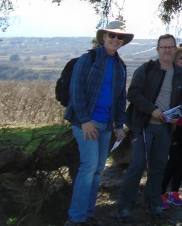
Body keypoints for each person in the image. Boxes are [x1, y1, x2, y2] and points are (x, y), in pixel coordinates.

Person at [114, 34, 182, 222]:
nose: (167, 50)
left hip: (165, 129)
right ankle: (125, 207)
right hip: (144, 125)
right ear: (158, 50)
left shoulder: (180, 74)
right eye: (163, 47)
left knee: (158, 167)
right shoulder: (147, 69)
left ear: (175, 49)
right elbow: (133, 93)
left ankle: (153, 204)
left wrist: (177, 114)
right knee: (137, 165)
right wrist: (153, 110)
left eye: (170, 47)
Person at [64, 20, 131, 226]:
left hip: (106, 125)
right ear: (103, 37)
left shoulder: (120, 66)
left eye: (119, 37)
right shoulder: (89, 59)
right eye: (112, 35)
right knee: (89, 166)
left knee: (98, 170)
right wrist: (84, 121)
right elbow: (76, 90)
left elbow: (121, 98)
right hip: (87, 122)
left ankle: (88, 213)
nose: (116, 39)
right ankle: (75, 218)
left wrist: (119, 126)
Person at [161, 46, 182, 207]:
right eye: (180, 58)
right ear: (174, 60)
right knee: (172, 160)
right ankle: (160, 193)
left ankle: (174, 192)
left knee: (181, 160)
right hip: (172, 126)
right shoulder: (170, 77)